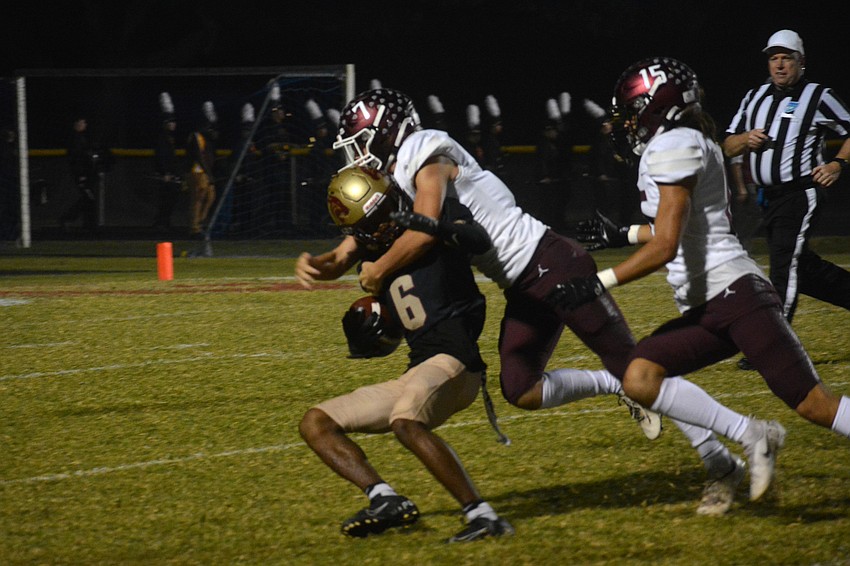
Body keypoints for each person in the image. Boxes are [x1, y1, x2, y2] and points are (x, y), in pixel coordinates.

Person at [329, 87, 783, 515]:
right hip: (523, 281)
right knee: (520, 387)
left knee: (639, 370)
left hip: (551, 262)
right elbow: (380, 228)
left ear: (385, 131)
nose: (358, 154)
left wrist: (381, 267)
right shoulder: (405, 170)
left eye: (361, 141)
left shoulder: (423, 149)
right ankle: (613, 386)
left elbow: (426, 219)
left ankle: (737, 444)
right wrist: (333, 261)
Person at [556, 57, 850, 475]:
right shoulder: (686, 141)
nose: (627, 123)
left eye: (633, 109)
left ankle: (751, 441)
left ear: (658, 104)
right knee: (640, 377)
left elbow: (666, 244)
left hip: (735, 295)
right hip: (711, 305)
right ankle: (750, 435)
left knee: (814, 404)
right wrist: (621, 234)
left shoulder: (674, 145)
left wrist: (599, 282)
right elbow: (679, 226)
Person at [297, 166, 513, 542]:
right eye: (371, 223)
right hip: (418, 369)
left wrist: (381, 269)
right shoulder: (369, 242)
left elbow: (473, 238)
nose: (381, 229)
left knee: (405, 421)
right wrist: (315, 265)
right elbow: (336, 260)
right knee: (316, 422)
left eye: (383, 216)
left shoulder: (428, 222)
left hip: (457, 363)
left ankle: (483, 516)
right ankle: (385, 498)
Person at [722, 29, 850, 370]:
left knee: (783, 266)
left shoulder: (818, 95)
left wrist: (839, 164)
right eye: (773, 58)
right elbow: (727, 143)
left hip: (801, 192)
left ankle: (771, 347)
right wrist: (745, 140)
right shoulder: (755, 97)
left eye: (786, 58)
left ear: (801, 62)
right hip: (770, 197)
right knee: (801, 267)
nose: (779, 65)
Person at [58, 115, 99, 234]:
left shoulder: (81, 138)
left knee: (88, 199)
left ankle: (88, 224)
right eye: (82, 123)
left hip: (86, 173)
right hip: (82, 174)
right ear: (76, 124)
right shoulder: (75, 139)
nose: (84, 125)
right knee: (88, 198)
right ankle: (67, 219)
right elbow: (77, 159)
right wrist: (81, 174)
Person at [186, 101, 218, 237]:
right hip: (197, 171)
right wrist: (209, 174)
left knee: (211, 196)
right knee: (198, 198)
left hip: (204, 172)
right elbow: (199, 156)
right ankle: (195, 227)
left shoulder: (207, 138)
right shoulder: (196, 136)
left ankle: (201, 221)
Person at [152, 92, 182, 230]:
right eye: (171, 122)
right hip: (166, 175)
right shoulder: (162, 138)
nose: (174, 124)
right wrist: (165, 172)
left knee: (171, 199)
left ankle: (165, 221)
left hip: (170, 173)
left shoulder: (170, 138)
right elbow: (162, 156)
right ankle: (160, 222)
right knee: (165, 199)